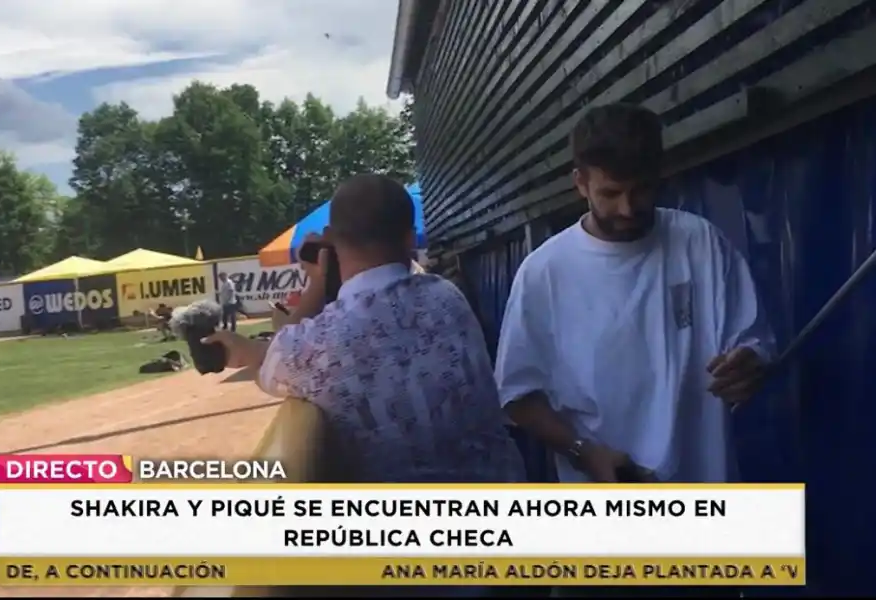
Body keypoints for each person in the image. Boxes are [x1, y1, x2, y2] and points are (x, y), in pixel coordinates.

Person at [494, 103, 775, 596]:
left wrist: (749, 364)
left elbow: (752, 340)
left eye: (641, 189)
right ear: (580, 183)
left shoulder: (699, 242)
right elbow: (517, 396)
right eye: (610, 193)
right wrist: (585, 452)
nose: (627, 208)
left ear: (660, 175)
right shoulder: (545, 273)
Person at [205, 173, 525, 484]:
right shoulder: (446, 296)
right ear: (410, 239)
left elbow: (276, 350)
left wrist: (317, 282)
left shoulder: (320, 342)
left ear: (330, 238)